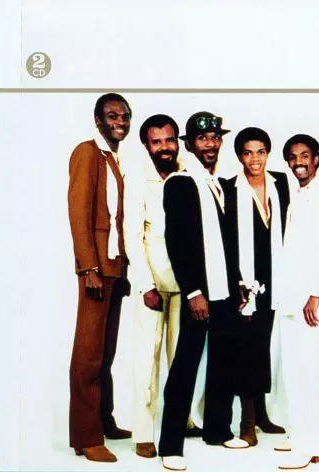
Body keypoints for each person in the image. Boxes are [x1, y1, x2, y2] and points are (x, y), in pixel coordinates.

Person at [158, 112, 247, 472]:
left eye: (215, 138)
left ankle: (217, 429)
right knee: (186, 364)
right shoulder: (180, 183)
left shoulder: (218, 184)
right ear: (190, 143)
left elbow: (227, 242)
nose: (210, 144)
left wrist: (237, 281)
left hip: (224, 288)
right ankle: (170, 444)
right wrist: (193, 291)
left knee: (225, 358)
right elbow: (177, 243)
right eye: (202, 138)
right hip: (199, 289)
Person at [123, 114, 202, 459]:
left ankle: (183, 418)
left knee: (180, 358)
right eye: (156, 142)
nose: (165, 147)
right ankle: (143, 431)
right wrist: (145, 285)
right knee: (147, 358)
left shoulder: (188, 173)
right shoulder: (138, 178)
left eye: (169, 140)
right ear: (146, 145)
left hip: (183, 284)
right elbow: (131, 235)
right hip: (153, 284)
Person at [68, 93, 132, 463]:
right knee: (89, 354)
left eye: (124, 116)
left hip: (115, 268)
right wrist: (88, 267)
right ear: (98, 120)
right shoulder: (87, 153)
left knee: (106, 352)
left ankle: (104, 420)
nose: (120, 121)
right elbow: (78, 213)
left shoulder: (115, 158)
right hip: (96, 269)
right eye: (112, 116)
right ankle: (86, 436)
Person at [273, 134, 319, 469]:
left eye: (304, 155)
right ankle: (302, 437)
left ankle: (308, 446)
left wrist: (316, 294)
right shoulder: (298, 196)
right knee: (293, 373)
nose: (298, 162)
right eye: (292, 156)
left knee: (306, 373)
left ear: (317, 158)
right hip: (290, 298)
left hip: (310, 300)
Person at [223, 127, 288, 447]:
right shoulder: (229, 188)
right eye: (248, 153)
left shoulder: (282, 184)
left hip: (276, 278)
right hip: (244, 283)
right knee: (246, 348)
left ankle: (261, 414)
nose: (255, 159)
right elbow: (225, 241)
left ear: (267, 153)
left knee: (263, 345)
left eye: (260, 152)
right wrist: (237, 282)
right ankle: (246, 423)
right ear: (239, 156)